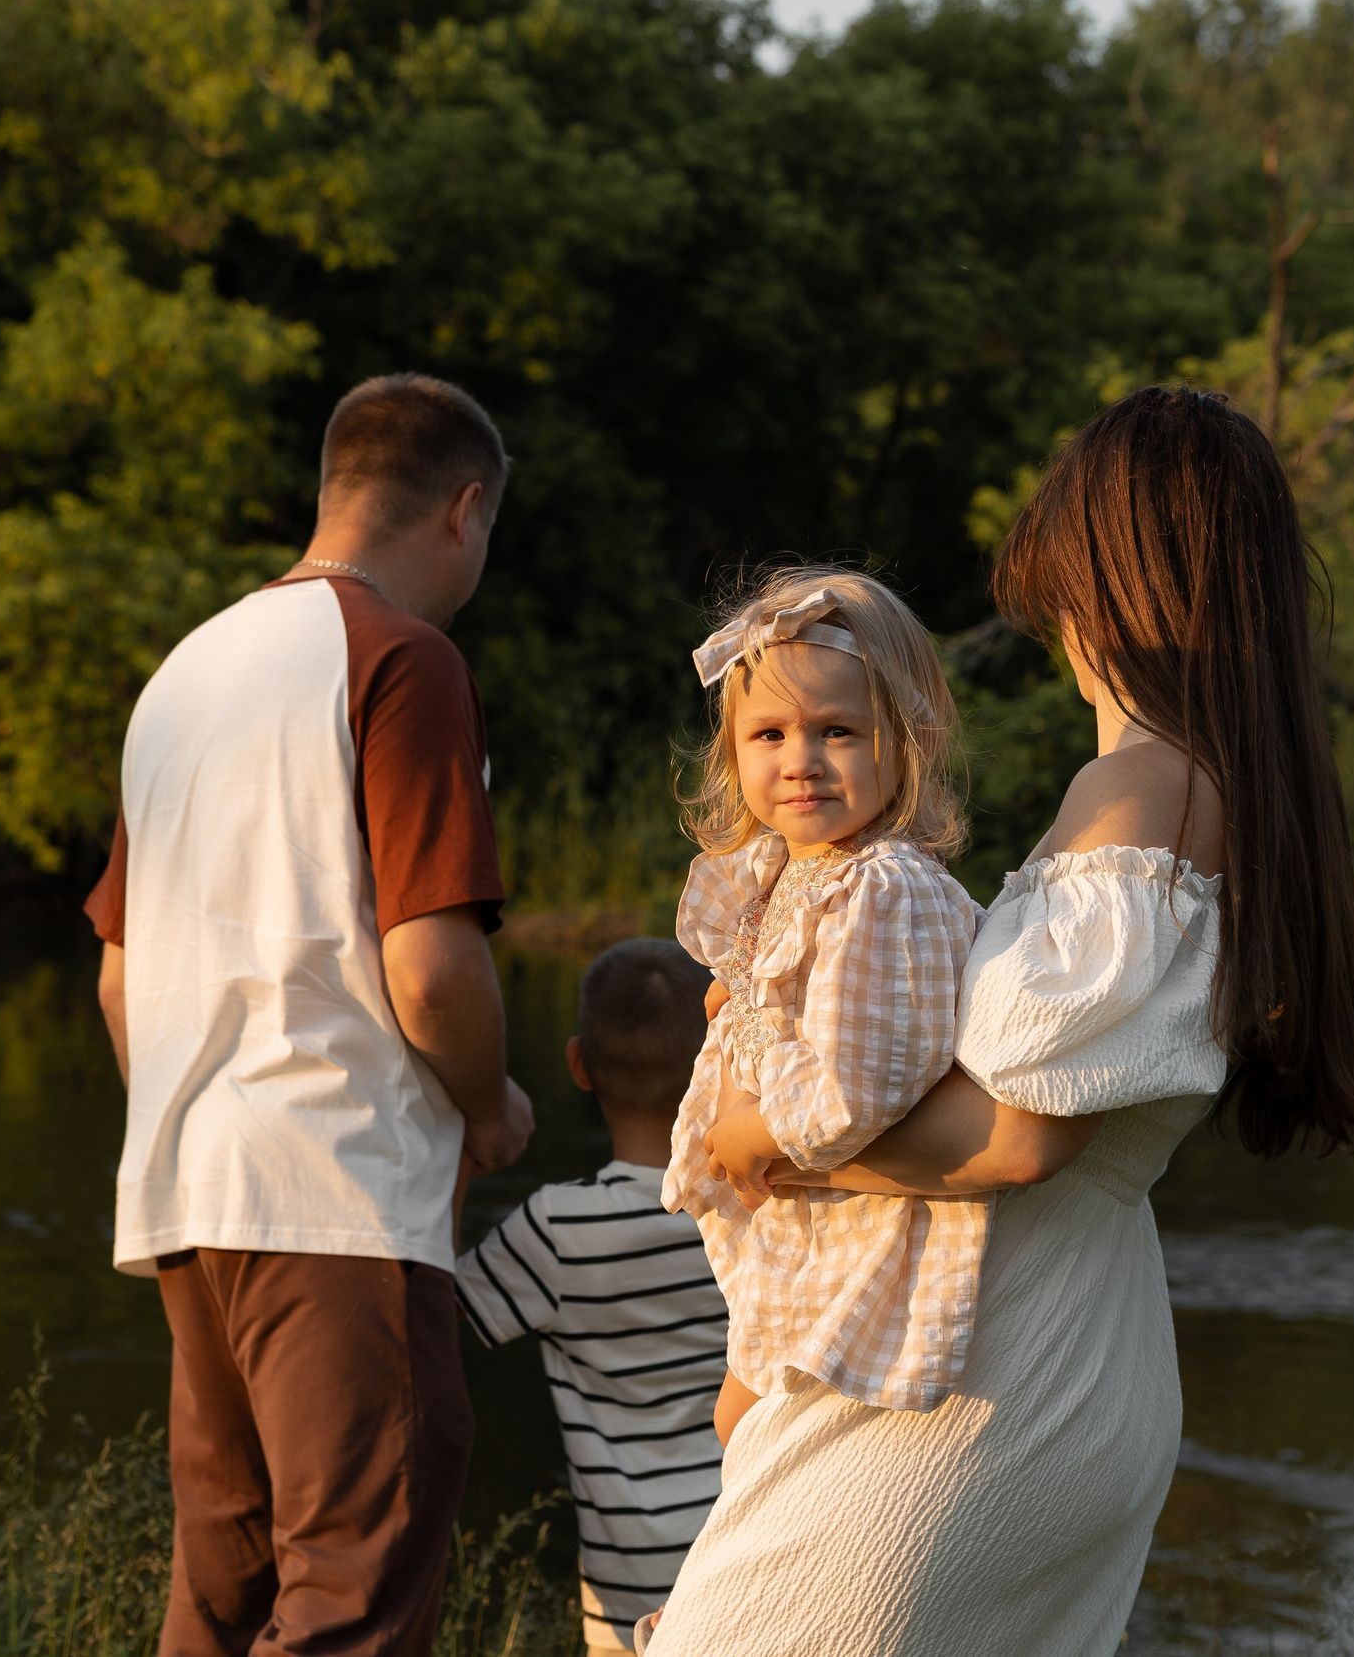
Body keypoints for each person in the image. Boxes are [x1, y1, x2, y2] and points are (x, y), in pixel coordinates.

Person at [644, 386, 1354, 1657]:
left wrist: (752, 1136)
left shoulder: (1140, 787)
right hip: (1067, 1349)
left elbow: (1018, 1137)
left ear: (1098, 581)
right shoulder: (1220, 788)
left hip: (984, 1375)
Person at [84, 372, 538, 1657]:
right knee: (352, 1598)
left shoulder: (186, 670)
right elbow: (433, 969)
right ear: (464, 512)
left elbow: (122, 976)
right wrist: (488, 1104)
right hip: (335, 1193)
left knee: (224, 1595)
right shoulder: (405, 658)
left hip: (186, 1196)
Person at [658, 568, 984, 1444]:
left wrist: (750, 1131)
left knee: (752, 1433)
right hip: (800, 1225)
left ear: (905, 742)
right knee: (737, 1428)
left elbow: (860, 1082)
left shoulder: (880, 888)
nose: (798, 759)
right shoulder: (795, 873)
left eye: (836, 731)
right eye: (769, 733)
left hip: (853, 1231)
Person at [454, 938, 729, 1657]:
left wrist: (454, 1154)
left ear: (578, 1065)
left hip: (628, 1582)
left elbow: (436, 1319)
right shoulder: (756, 1209)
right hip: (753, 1549)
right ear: (717, 1061)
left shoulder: (557, 1230)